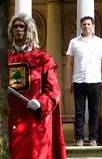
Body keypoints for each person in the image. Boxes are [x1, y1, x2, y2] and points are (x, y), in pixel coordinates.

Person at [7, 13, 66, 159]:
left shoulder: (43, 59)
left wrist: (40, 102)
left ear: (30, 30)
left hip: (33, 122)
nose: (18, 29)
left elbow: (53, 91)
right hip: (8, 122)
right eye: (16, 26)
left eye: (22, 26)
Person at [66, 16, 102, 146]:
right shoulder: (74, 42)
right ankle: (79, 138)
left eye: (89, 24)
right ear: (81, 27)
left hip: (95, 80)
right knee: (79, 112)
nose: (86, 27)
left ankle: (93, 138)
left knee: (94, 112)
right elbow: (69, 64)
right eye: (84, 24)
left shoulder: (100, 42)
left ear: (93, 26)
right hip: (79, 80)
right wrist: (68, 82)